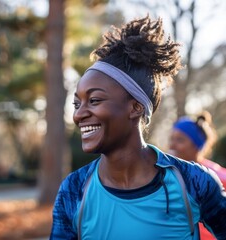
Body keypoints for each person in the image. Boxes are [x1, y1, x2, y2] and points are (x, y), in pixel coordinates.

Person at [50, 15, 226, 240]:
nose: (79, 114)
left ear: (135, 108)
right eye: (77, 103)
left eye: (94, 100)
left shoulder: (192, 182)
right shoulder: (73, 190)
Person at [169, 112, 226, 240]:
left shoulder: (218, 176)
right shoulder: (165, 174)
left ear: (197, 145)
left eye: (180, 140)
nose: (172, 145)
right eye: (171, 139)